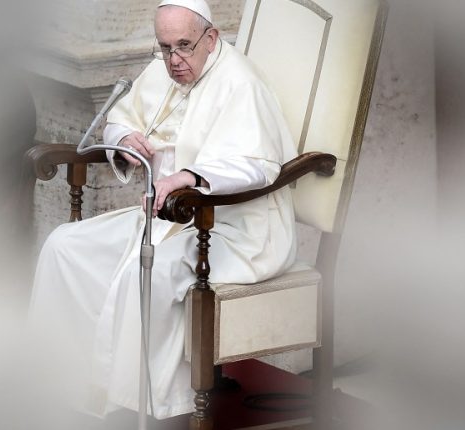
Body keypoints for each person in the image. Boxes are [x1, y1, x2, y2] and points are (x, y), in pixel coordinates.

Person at [29, 0, 298, 420]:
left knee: (149, 267)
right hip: (166, 219)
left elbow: (259, 165)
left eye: (184, 47)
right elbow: (121, 118)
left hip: (233, 230)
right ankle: (66, 388)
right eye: (165, 47)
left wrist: (191, 176)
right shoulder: (162, 70)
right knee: (65, 245)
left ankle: (143, 408)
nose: (174, 61)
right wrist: (126, 137)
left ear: (211, 39)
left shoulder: (240, 84)